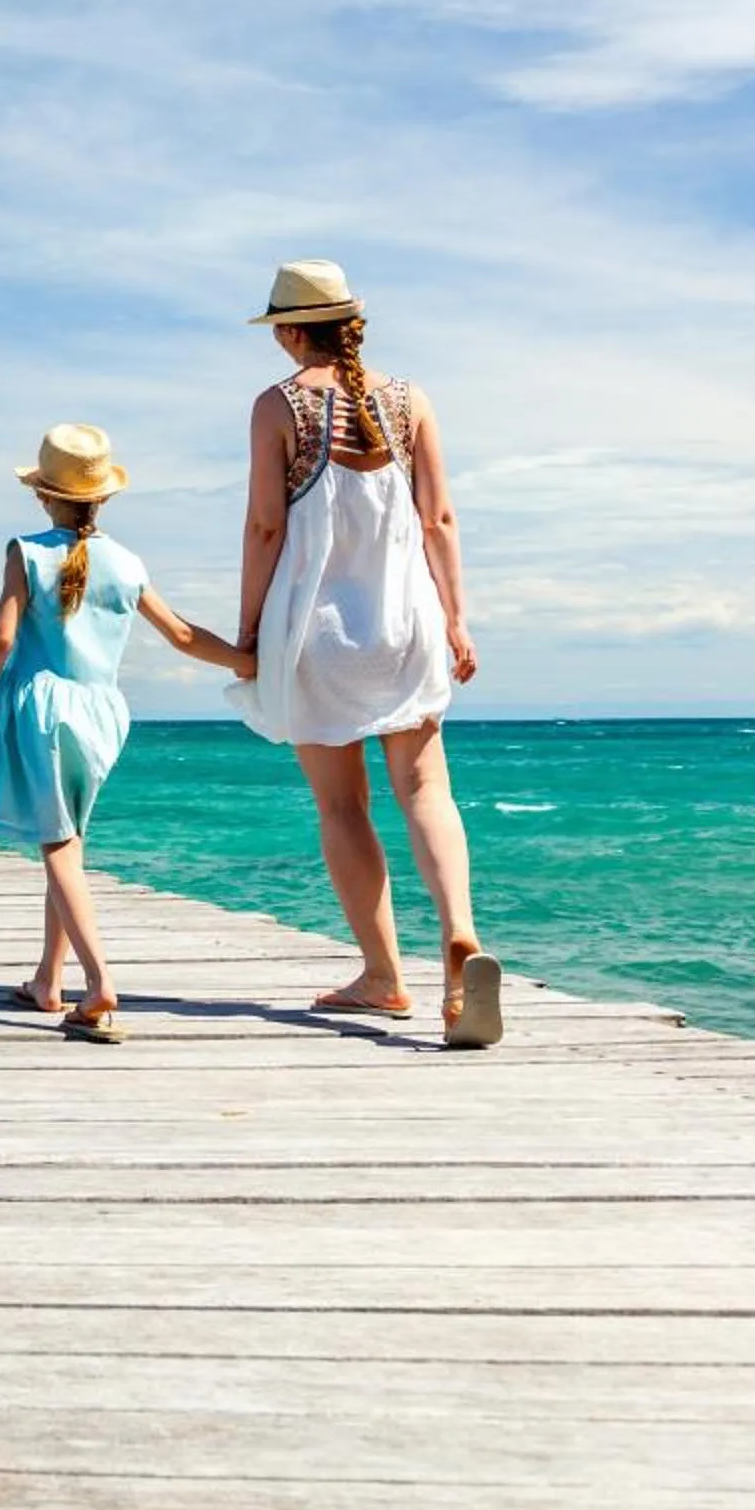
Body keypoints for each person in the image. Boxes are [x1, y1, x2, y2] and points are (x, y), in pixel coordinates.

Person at [226, 259, 503, 1048]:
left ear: (286, 331)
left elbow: (266, 529)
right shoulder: (412, 400)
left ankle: (383, 976)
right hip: (408, 619)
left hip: (314, 628)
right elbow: (440, 519)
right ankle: (460, 934)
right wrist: (456, 621)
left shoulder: (276, 407)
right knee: (426, 790)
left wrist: (249, 634)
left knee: (342, 806)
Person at [0, 424, 255, 1041]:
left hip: (42, 709)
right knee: (67, 840)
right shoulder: (127, 562)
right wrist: (250, 664)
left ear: (42, 493)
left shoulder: (27, 552)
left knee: (57, 845)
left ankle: (99, 984)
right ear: (102, 497)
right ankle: (47, 980)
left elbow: (1, 639)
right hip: (103, 713)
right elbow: (184, 636)